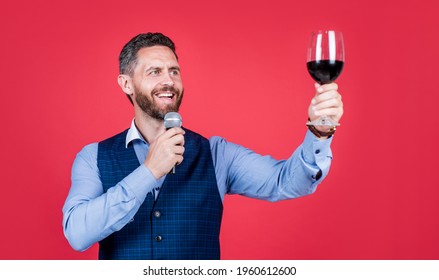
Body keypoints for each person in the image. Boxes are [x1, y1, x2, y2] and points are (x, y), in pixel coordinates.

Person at [62, 32, 344, 260]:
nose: (168, 81)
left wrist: (319, 134)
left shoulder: (217, 154)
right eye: (155, 72)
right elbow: (77, 235)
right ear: (126, 84)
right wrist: (149, 171)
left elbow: (287, 182)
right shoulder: (93, 158)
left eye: (174, 71)